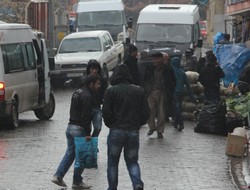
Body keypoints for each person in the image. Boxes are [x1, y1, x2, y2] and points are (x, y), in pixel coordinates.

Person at [102, 64, 149, 190]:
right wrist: (138, 124)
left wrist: (110, 123)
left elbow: (106, 112)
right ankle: (137, 183)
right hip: (133, 131)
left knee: (112, 162)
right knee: (132, 161)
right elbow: (146, 112)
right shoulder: (139, 90)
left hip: (116, 130)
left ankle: (112, 187)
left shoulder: (110, 91)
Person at [51, 74, 101, 190]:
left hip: (70, 127)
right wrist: (88, 133)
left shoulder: (77, 92)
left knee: (71, 153)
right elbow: (86, 116)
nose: (99, 86)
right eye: (97, 84)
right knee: (83, 156)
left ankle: (58, 175)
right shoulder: (88, 96)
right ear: (91, 84)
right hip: (79, 128)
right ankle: (77, 181)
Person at [140, 52, 176, 138]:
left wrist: (169, 92)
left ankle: (160, 130)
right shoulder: (149, 69)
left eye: (156, 59)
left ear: (161, 59)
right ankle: (152, 127)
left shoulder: (167, 70)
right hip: (151, 92)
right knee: (150, 110)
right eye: (153, 59)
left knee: (161, 112)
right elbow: (144, 80)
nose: (154, 61)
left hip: (162, 92)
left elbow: (172, 82)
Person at [170, 57, 198, 131]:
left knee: (176, 108)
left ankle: (181, 123)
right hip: (181, 92)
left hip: (174, 92)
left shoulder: (171, 71)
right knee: (178, 107)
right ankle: (176, 124)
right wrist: (192, 96)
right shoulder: (182, 72)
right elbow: (188, 85)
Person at [86, 59, 108, 137]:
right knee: (86, 129)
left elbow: (105, 94)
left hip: (97, 107)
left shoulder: (102, 80)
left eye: (96, 69)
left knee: (98, 127)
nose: (94, 71)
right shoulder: (85, 80)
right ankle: (91, 145)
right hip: (86, 108)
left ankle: (93, 140)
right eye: (92, 69)